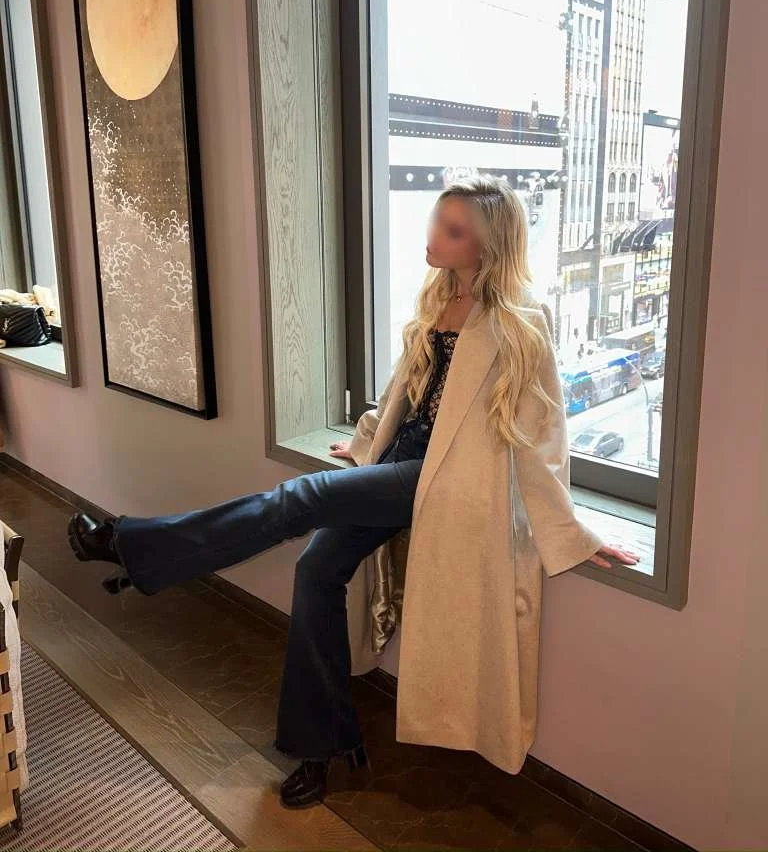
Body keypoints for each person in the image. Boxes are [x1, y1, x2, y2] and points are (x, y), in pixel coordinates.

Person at [66, 173, 640, 809]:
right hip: (397, 467)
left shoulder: (521, 323)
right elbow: (405, 395)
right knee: (316, 569)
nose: (433, 237)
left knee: (299, 500)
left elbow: (540, 438)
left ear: (485, 246)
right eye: (436, 221)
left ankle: (129, 543)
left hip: (446, 482)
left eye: (453, 231)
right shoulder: (437, 300)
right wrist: (365, 444)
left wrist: (574, 535)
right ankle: (323, 746)